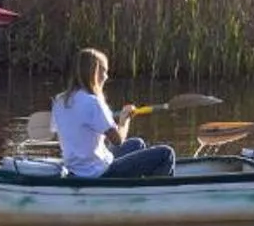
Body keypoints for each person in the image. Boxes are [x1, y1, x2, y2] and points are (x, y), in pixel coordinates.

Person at [51, 47, 175, 178]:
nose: (106, 76)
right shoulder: (93, 102)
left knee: (137, 143)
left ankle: (136, 183)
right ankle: (156, 192)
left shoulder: (59, 100)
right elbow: (118, 140)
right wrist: (124, 120)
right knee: (166, 154)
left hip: (76, 169)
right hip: (98, 172)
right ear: (94, 73)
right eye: (104, 71)